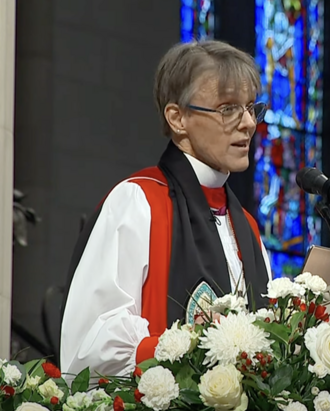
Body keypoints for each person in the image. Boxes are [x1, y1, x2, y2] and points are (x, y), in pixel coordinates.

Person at [60, 40, 272, 377]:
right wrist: (185, 351)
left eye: (251, 108)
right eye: (228, 108)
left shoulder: (246, 227)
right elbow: (91, 346)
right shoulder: (137, 203)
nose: (248, 123)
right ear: (177, 118)